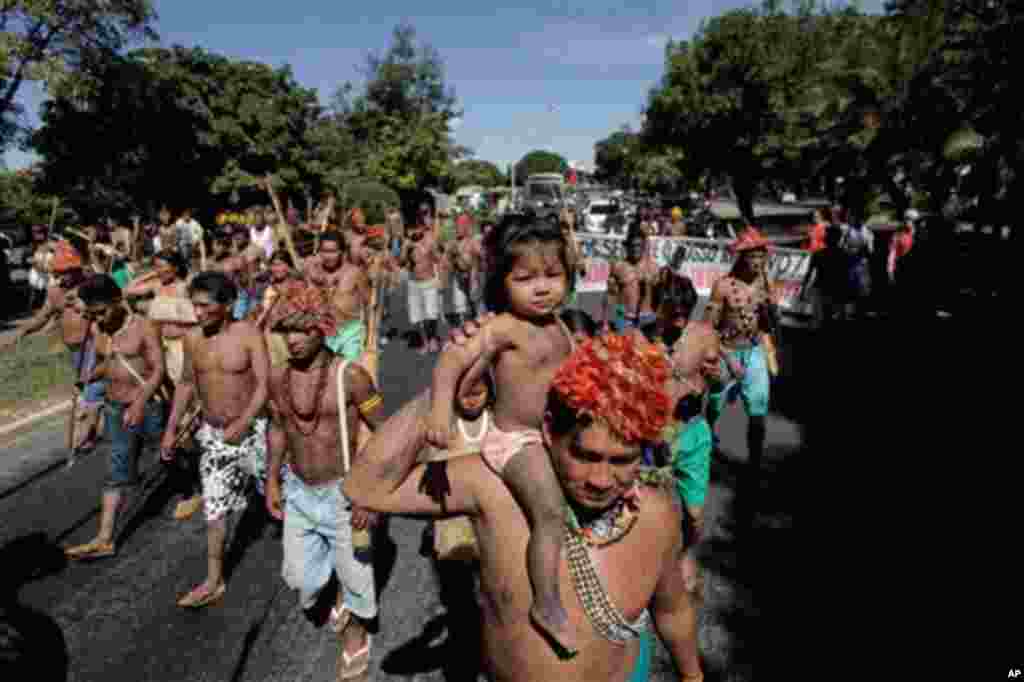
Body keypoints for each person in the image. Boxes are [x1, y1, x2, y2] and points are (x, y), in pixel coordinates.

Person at [346, 333, 702, 682]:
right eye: (584, 455)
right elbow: (365, 487)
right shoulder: (494, 488)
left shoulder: (657, 512)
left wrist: (692, 675)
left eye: (623, 461)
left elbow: (672, 610)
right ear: (548, 430)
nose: (601, 480)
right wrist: (446, 384)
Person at [426, 215, 580, 657]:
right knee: (549, 511)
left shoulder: (562, 326)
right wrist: (439, 409)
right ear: (502, 281)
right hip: (516, 439)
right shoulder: (501, 327)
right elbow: (450, 361)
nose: (542, 287)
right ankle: (545, 605)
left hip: (557, 435)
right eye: (525, 277)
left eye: (552, 275)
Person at [262, 281, 386, 679]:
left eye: (303, 329)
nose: (294, 340)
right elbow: (279, 430)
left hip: (344, 494)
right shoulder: (278, 377)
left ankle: (355, 639)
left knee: (356, 580)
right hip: (299, 491)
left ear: (323, 328)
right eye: (287, 330)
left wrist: (368, 495)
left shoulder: (351, 377)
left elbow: (382, 435)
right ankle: (338, 590)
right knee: (301, 579)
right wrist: (272, 482)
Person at [159, 271, 271, 608]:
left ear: (228, 305)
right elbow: (185, 385)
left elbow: (265, 385)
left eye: (205, 305)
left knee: (281, 495)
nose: (198, 312)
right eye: (194, 305)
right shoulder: (192, 340)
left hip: (256, 433)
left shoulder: (248, 334)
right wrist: (171, 428)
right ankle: (213, 580)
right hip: (216, 438)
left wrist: (245, 421)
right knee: (214, 509)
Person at [64, 275, 165, 560]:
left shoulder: (144, 328)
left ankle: (190, 486)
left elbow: (157, 370)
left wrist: (140, 403)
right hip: (114, 408)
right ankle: (105, 537)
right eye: (93, 314)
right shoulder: (100, 330)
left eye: (102, 312)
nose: (97, 319)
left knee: (167, 453)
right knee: (115, 471)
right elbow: (107, 364)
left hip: (147, 406)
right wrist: (88, 377)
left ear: (118, 302)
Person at [5, 241, 106, 455]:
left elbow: (108, 308)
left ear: (75, 269)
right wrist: (23, 331)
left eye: (65, 272)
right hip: (74, 350)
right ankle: (96, 426)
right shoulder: (54, 291)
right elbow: (43, 316)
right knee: (90, 388)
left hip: (92, 344)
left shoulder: (89, 286)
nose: (61, 277)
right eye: (58, 272)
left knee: (90, 390)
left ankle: (86, 435)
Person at [705, 227, 779, 475]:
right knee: (714, 405)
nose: (758, 262)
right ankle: (706, 440)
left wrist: (772, 307)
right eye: (753, 256)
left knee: (758, 409)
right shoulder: (723, 286)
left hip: (755, 352)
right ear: (741, 257)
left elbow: (771, 324)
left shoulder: (766, 286)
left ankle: (754, 460)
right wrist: (727, 358)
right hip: (727, 352)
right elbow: (708, 330)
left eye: (761, 256)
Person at [401, 211, 444, 354]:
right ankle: (425, 342)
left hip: (429, 282)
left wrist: (431, 250)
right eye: (412, 228)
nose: (414, 231)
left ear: (422, 227)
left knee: (431, 315)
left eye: (417, 227)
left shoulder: (430, 240)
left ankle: (432, 338)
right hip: (414, 283)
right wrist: (405, 249)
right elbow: (401, 263)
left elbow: (438, 259)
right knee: (417, 316)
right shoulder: (408, 243)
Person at [604, 225, 659, 333]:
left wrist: (653, 281)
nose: (635, 249)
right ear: (627, 247)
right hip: (624, 318)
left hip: (647, 318)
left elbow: (661, 298)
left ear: (643, 247)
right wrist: (605, 322)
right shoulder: (618, 267)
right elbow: (609, 296)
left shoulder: (653, 268)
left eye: (638, 245)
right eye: (632, 245)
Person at [800, 225, 850, 330]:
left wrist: (802, 291)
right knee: (834, 323)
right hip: (835, 291)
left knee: (820, 323)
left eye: (827, 235)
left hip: (821, 291)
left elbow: (808, 274)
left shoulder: (818, 254)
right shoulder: (844, 255)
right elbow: (846, 277)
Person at [446, 213, 483, 327]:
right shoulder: (453, 242)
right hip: (458, 277)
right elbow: (448, 260)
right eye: (457, 223)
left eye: (462, 223)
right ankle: (463, 326)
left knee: (474, 303)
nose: (458, 226)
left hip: (472, 276)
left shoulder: (474, 240)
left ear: (468, 225)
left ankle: (479, 325)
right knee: (459, 306)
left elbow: (481, 257)